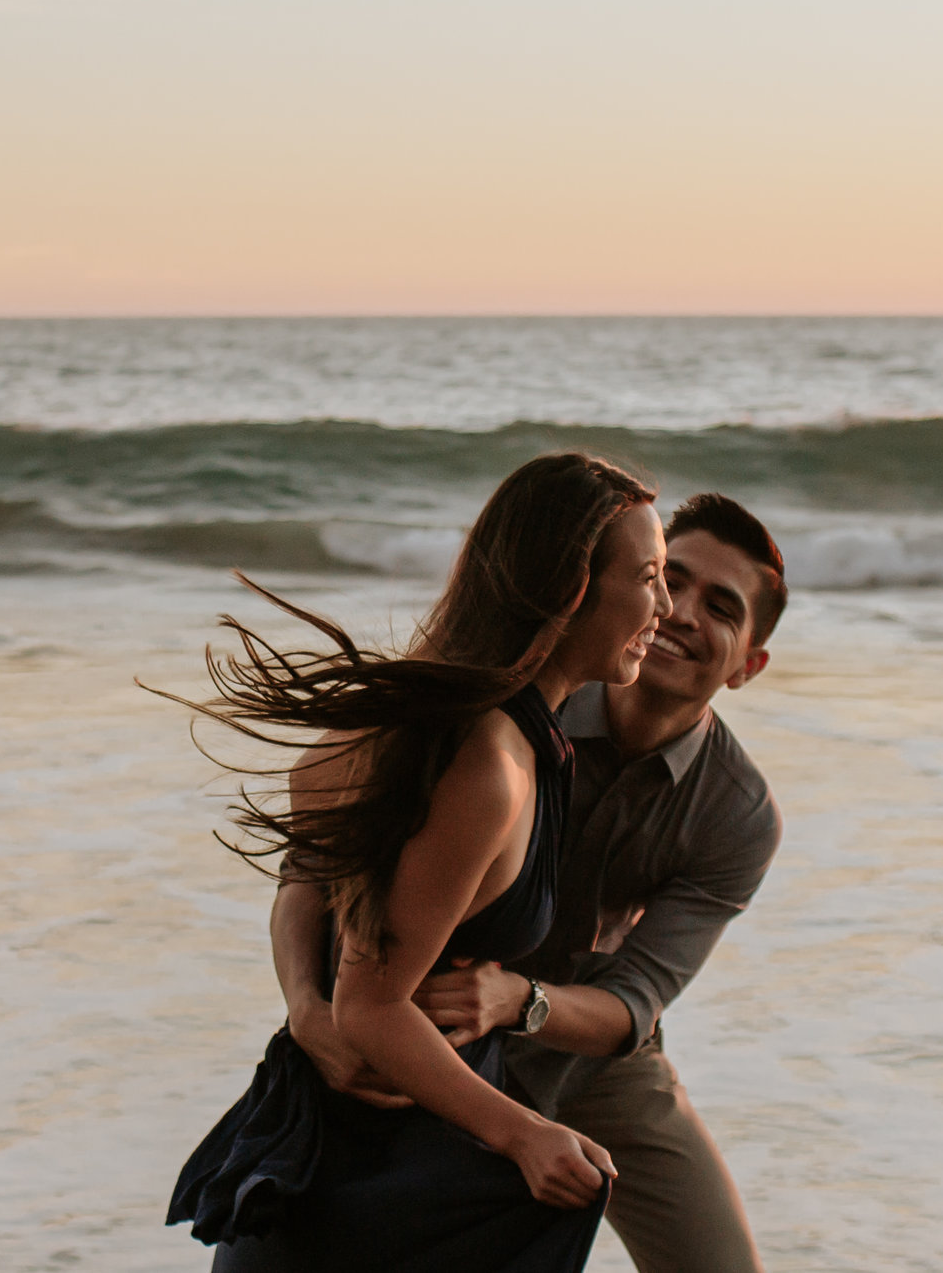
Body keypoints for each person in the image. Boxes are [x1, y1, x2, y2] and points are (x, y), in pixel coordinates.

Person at [162, 452, 670, 1273]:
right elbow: (370, 1001)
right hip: (369, 1189)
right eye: (649, 576)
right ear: (572, 586)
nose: (666, 605)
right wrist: (525, 1132)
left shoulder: (473, 726)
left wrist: (307, 1004)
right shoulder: (488, 762)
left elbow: (313, 867)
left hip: (403, 1158)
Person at [271, 493, 789, 1273]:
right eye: (668, 579)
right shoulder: (525, 696)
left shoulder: (738, 813)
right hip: (428, 1033)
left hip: (594, 1060)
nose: (679, 611)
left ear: (748, 663)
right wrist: (306, 1008)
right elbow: (315, 859)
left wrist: (520, 998)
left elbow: (635, 1001)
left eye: (721, 606)